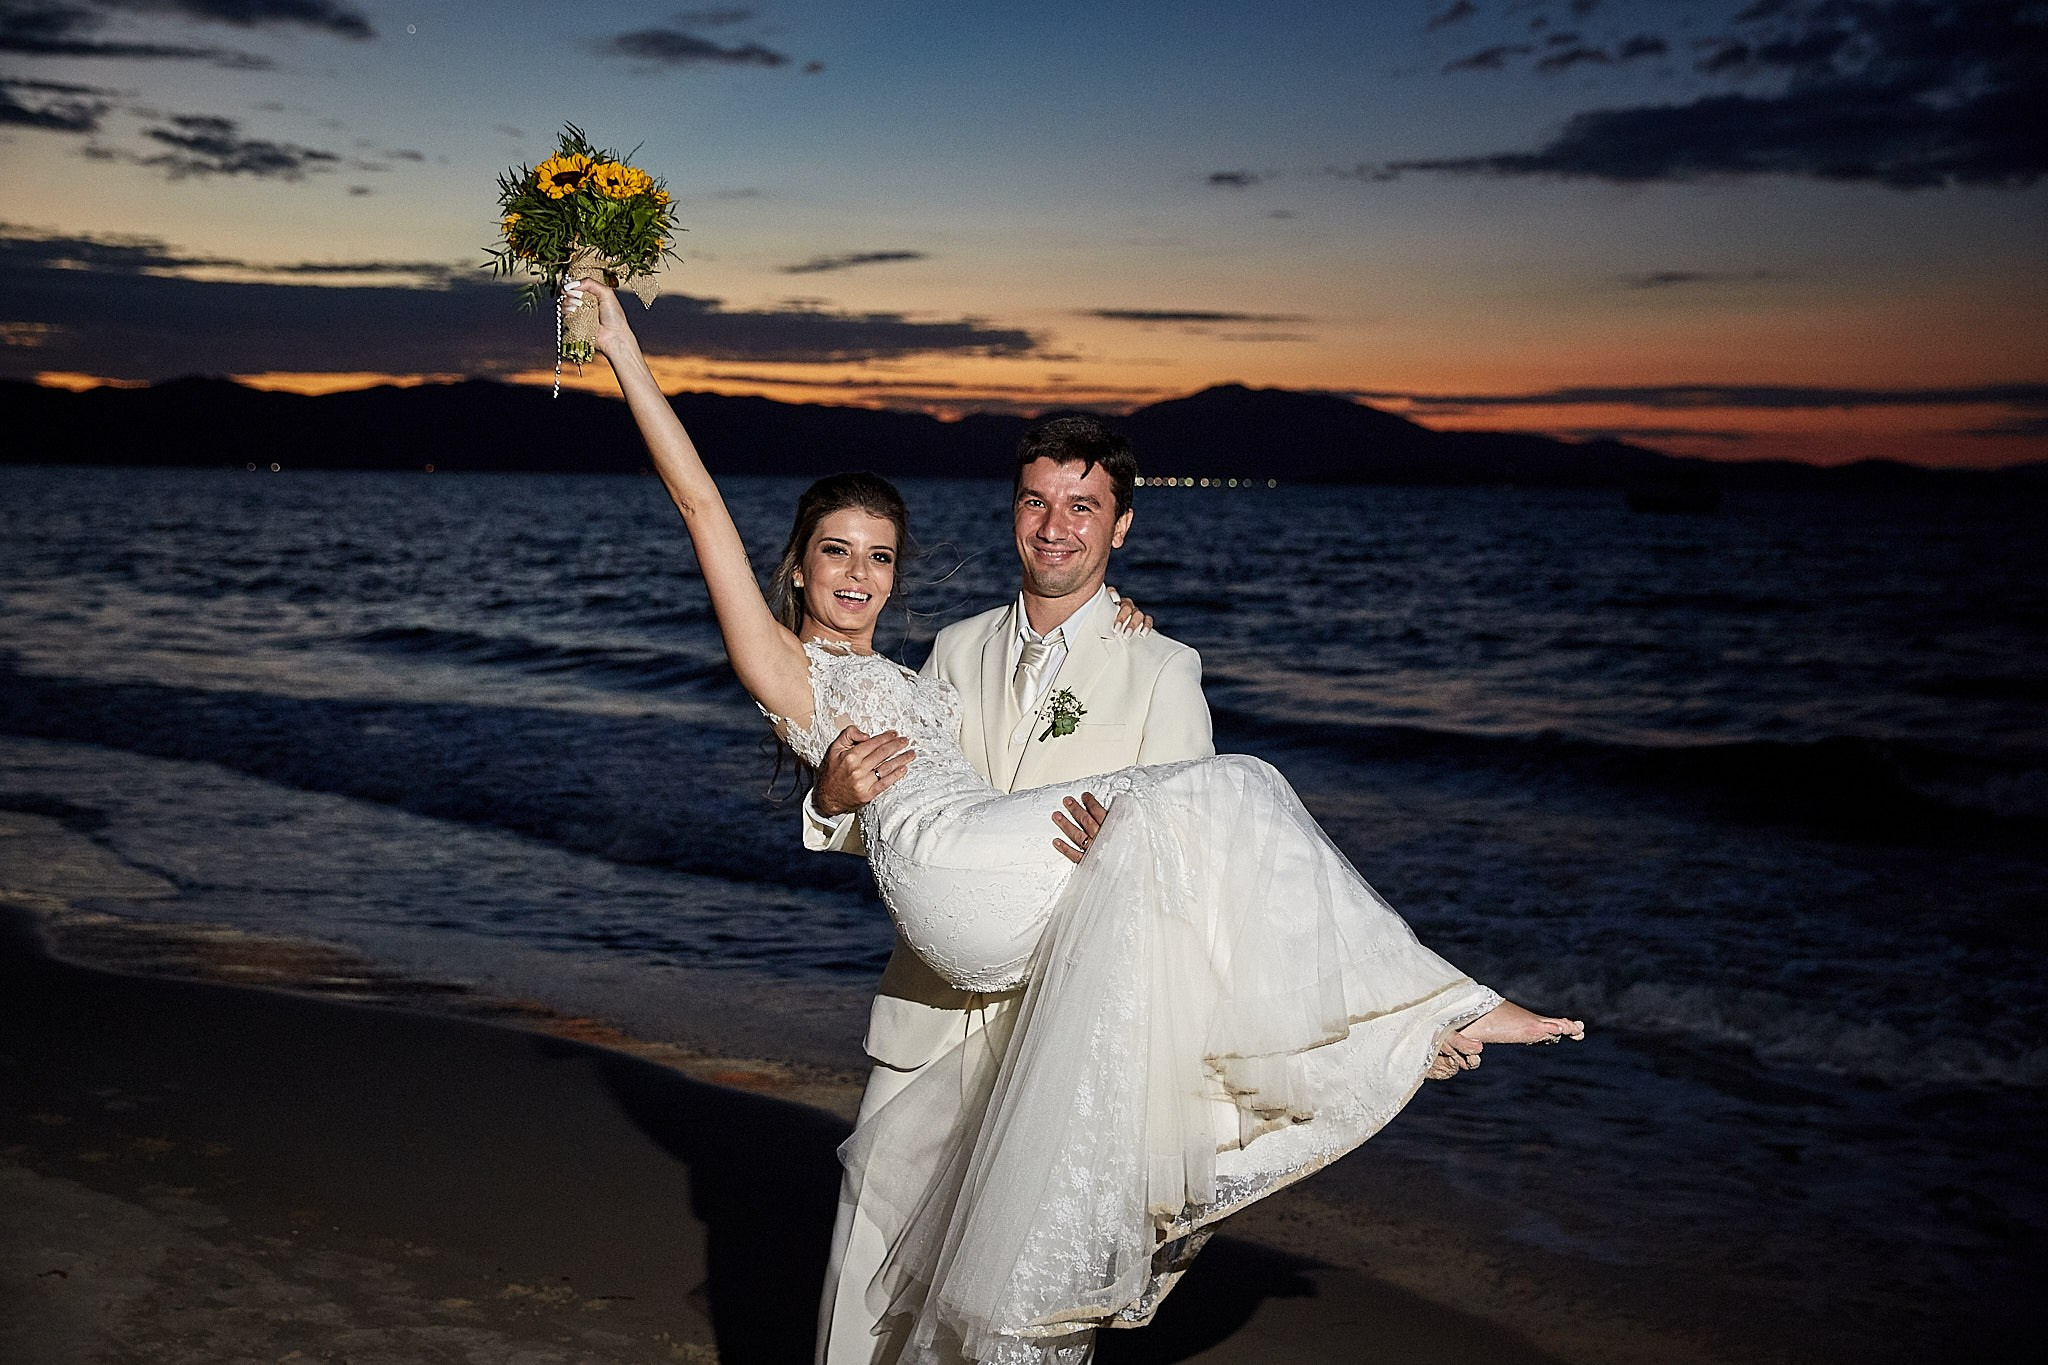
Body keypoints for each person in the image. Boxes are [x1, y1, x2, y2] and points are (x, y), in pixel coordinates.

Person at [563, 277, 1584, 1365]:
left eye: (878, 557)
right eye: (835, 553)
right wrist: (621, 346)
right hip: (943, 970)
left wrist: (1117, 694)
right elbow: (702, 508)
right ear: (799, 566)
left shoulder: (1041, 668)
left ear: (1119, 525)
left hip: (1054, 997)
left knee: (1018, 1271)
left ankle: (1406, 1024)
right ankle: (1411, 1019)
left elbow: (1188, 892)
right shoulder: (895, 657)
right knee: (874, 1275)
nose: (857, 575)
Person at [801, 412, 1220, 1365]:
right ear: (1013, 512)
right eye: (1037, 500)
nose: (1056, 525)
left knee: (1012, 1306)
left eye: (1084, 505)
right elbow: (903, 819)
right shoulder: (950, 650)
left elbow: (1194, 852)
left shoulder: (1160, 669)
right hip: (928, 1015)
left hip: (1058, 1036)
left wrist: (1129, 846)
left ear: (1120, 528)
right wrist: (828, 800)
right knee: (862, 1278)